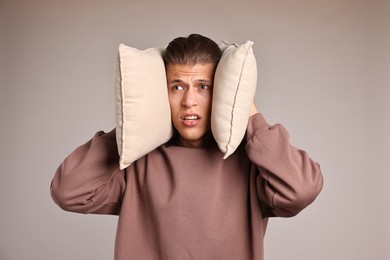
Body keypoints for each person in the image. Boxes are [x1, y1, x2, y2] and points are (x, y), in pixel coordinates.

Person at [50, 34, 323, 260]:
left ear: (221, 91)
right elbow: (68, 192)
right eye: (177, 87)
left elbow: (300, 190)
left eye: (203, 86)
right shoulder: (138, 162)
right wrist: (131, 124)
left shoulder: (251, 162)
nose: (189, 101)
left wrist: (248, 111)